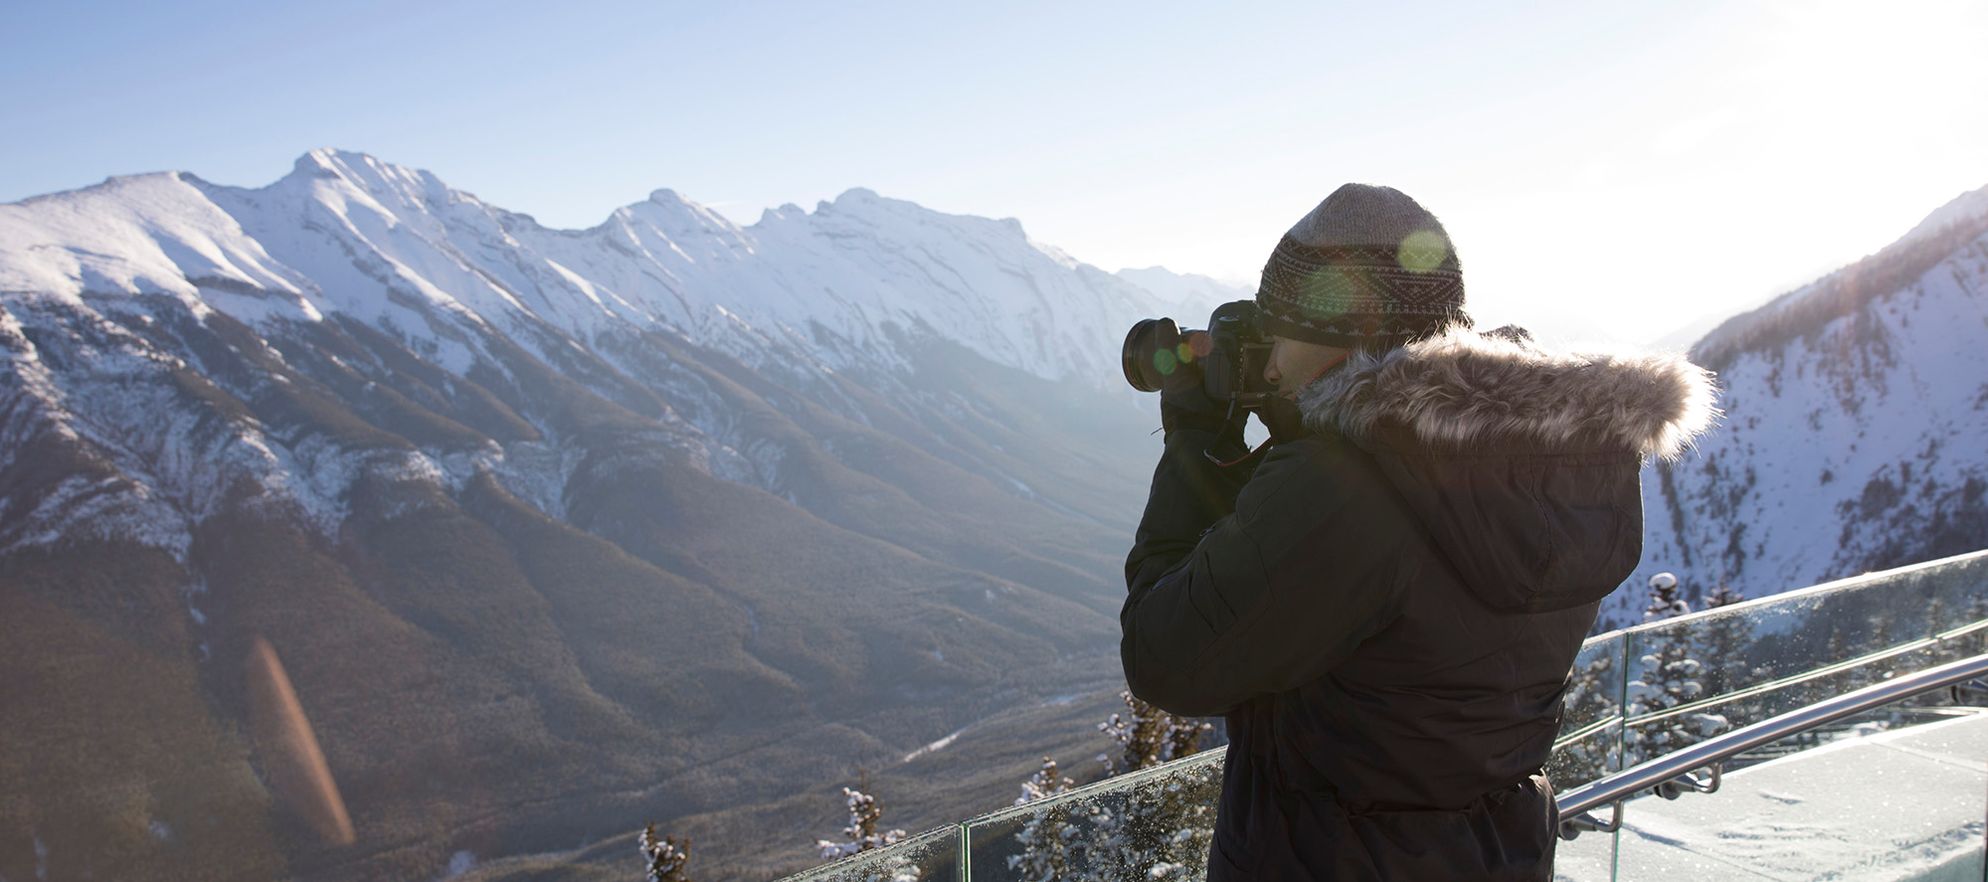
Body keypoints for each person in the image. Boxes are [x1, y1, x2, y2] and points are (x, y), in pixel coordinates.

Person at [1121, 183, 1717, 880]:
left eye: (1280, 332)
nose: (1272, 363)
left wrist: (1195, 445)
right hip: (1501, 850)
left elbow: (1166, 657)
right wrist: (1312, 431)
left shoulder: (1345, 490)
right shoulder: (1552, 459)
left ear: (1345, 334)